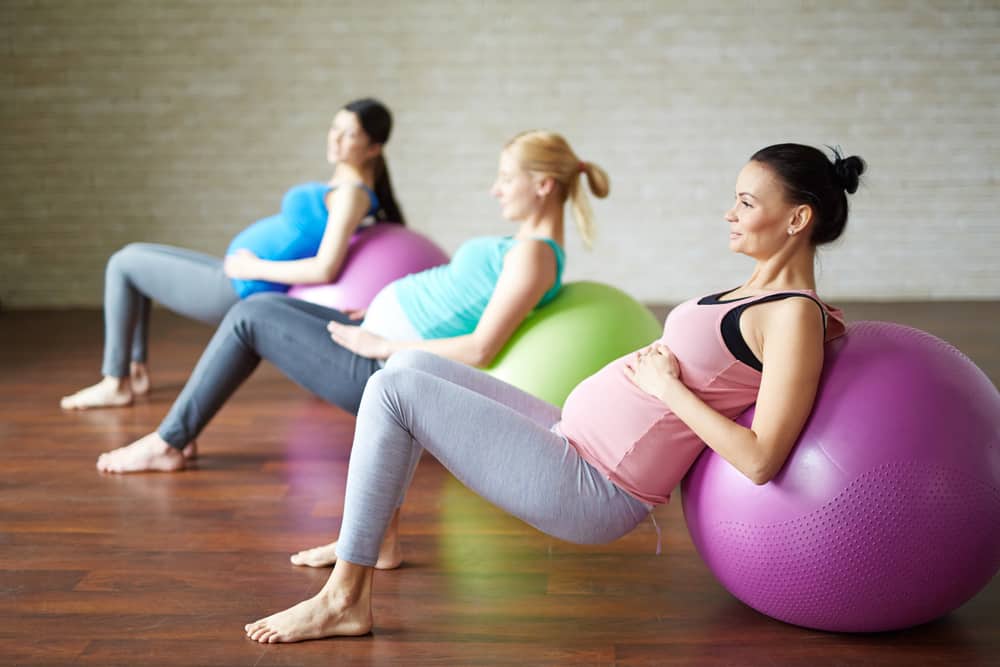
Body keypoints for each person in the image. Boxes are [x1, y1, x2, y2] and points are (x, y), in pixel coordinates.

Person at [241, 143, 866, 644]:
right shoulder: (752, 291)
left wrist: (665, 387)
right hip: (570, 434)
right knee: (406, 369)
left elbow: (761, 458)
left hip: (596, 485)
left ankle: (345, 600)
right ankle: (375, 539)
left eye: (747, 201)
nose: (730, 212)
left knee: (394, 391)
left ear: (797, 218)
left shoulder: (792, 316)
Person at [93, 130, 611, 476]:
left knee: (249, 314)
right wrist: (378, 320)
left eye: (505, 178)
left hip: (378, 365)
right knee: (261, 311)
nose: (494, 189)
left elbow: (480, 348)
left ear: (543, 185)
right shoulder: (525, 249)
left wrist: (382, 342)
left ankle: (169, 442)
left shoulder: (534, 257)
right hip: (372, 333)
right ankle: (173, 437)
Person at [60, 98, 404, 410]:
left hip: (243, 287)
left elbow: (324, 269)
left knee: (123, 264)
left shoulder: (351, 195)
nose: (335, 139)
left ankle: (115, 382)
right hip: (238, 275)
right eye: (334, 128)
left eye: (349, 134)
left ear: (373, 147)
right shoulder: (345, 185)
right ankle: (133, 372)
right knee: (132, 256)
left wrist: (255, 267)